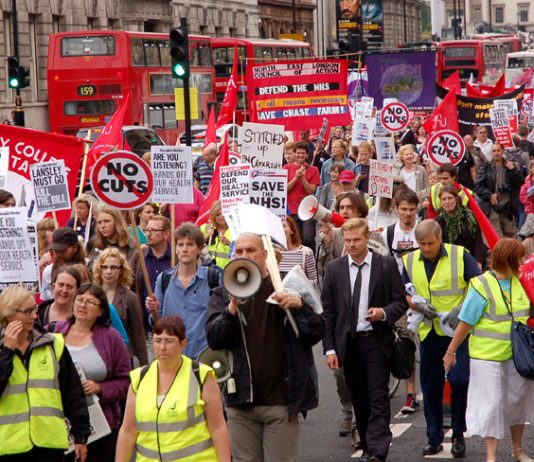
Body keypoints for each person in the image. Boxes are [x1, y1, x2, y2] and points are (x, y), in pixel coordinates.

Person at [206, 232, 324, 462]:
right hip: (241, 400)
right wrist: (230, 310)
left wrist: (300, 307)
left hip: (281, 401)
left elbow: (317, 332)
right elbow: (214, 339)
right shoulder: (225, 291)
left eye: (250, 250)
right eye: (238, 251)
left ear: (264, 254)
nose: (244, 255)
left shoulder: (287, 285)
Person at [322, 218, 408, 462]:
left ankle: (378, 450)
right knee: (359, 396)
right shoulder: (335, 269)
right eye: (347, 241)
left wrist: (383, 313)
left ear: (367, 238)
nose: (351, 245)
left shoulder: (385, 264)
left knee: (378, 394)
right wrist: (329, 349)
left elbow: (400, 301)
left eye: (356, 240)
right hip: (349, 342)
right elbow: (328, 313)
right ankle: (369, 443)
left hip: (376, 341)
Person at [443, 239, 534, 462]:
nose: (523, 263)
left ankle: (517, 449)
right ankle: (491, 457)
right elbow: (466, 321)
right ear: (509, 260)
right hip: (487, 356)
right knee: (491, 405)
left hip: (517, 355)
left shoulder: (521, 282)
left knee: (517, 401)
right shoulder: (482, 285)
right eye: (519, 258)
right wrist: (451, 351)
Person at [402, 220, 481, 458]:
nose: (426, 248)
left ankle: (458, 434)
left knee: (458, 381)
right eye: (422, 244)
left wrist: (463, 308)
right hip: (429, 330)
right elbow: (405, 292)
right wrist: (416, 305)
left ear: (440, 239)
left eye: (430, 243)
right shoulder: (409, 260)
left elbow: (478, 286)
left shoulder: (460, 255)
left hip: (457, 330)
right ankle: (434, 436)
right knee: (431, 386)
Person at [116, 316, 231, 462]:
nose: (162, 347)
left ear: (183, 344)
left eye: (169, 341)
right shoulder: (140, 377)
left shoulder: (200, 375)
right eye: (158, 341)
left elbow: (218, 427)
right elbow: (128, 431)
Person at [0, 286, 90, 461]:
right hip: (9, 446)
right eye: (27, 311)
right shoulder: (3, 350)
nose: (34, 316)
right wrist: (7, 352)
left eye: (34, 309)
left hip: (49, 445)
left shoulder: (53, 344)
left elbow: (73, 392)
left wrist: (81, 435)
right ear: (9, 315)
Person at [54, 283, 131, 461]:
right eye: (79, 300)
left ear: (101, 310)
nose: (82, 305)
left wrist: (100, 387)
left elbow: (126, 382)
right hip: (62, 423)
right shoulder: (56, 332)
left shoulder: (112, 338)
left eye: (90, 302)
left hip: (101, 424)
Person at [146, 222, 221, 359]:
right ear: (176, 249)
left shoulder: (213, 278)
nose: (184, 249)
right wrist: (154, 311)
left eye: (190, 244)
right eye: (180, 245)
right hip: (173, 356)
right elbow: (158, 323)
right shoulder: (164, 279)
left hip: (205, 356)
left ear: (199, 249)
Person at [381, 187, 420, 414]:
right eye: (404, 209)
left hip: (424, 294)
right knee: (405, 343)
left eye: (412, 210)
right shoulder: (389, 233)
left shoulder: (423, 229)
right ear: (396, 209)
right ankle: (410, 394)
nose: (408, 214)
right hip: (400, 294)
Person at [93, 248, 148, 366]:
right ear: (99, 268)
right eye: (105, 267)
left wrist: (145, 367)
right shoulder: (90, 294)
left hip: (123, 357)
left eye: (113, 267)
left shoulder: (130, 298)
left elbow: (138, 334)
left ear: (121, 270)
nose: (108, 271)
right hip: (96, 355)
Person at [130, 215, 172, 329]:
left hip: (172, 324)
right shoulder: (139, 256)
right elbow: (130, 285)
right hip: (145, 326)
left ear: (166, 234)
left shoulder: (176, 258)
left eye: (153, 230)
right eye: (147, 230)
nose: (148, 234)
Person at [475, 142, 523, 238]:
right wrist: (489, 195)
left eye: (498, 150)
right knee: (497, 238)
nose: (496, 153)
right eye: (494, 151)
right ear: (491, 153)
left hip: (507, 207)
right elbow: (477, 186)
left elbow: (520, 183)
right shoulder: (485, 167)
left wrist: (513, 170)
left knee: (511, 237)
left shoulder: (511, 165)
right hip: (492, 207)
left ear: (503, 151)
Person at [436, 185, 488, 268]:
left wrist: (478, 262)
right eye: (444, 199)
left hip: (470, 261)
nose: (447, 202)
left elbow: (478, 241)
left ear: (456, 198)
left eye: (450, 198)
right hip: (449, 264)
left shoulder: (470, 217)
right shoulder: (439, 221)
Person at [285, 141, 321, 252]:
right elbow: (284, 190)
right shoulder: (286, 168)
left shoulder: (313, 170)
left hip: (308, 210)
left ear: (307, 155)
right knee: (296, 239)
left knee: (308, 238)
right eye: (298, 153)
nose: (300, 156)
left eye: (303, 153)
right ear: (295, 154)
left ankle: (310, 260)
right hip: (292, 211)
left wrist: (303, 178)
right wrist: (296, 178)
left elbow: (311, 191)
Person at [41, 227, 86, 300]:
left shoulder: (89, 266)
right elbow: (46, 301)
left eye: (62, 250)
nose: (58, 254)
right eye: (56, 250)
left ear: (75, 248)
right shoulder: (48, 271)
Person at [37, 265, 81, 331]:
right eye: (61, 285)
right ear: (53, 287)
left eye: (69, 286)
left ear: (77, 290)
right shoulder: (39, 313)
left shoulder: (82, 315)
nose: (64, 290)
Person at [279, 216, 318, 287]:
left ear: (292, 231)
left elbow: (314, 281)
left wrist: (298, 285)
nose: (280, 230)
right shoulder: (270, 254)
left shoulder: (306, 252)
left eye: (283, 226)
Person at [201, 200, 232, 269]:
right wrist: (205, 237)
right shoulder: (205, 228)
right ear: (213, 216)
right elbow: (194, 247)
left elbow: (241, 251)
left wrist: (229, 243)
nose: (221, 217)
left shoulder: (235, 229)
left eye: (223, 213)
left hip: (229, 271)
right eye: (217, 214)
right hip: (208, 271)